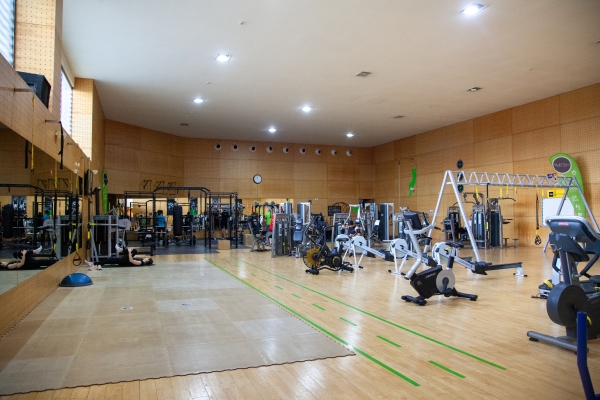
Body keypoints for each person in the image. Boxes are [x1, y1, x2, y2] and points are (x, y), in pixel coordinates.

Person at [85, 245, 153, 270]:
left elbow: (131, 261)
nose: (146, 258)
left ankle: (92, 264)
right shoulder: (141, 260)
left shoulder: (141, 263)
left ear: (147, 260)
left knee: (108, 260)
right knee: (134, 251)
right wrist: (131, 252)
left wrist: (129, 252)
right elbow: (133, 258)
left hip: (124, 262)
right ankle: (120, 249)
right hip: (124, 260)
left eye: (147, 258)